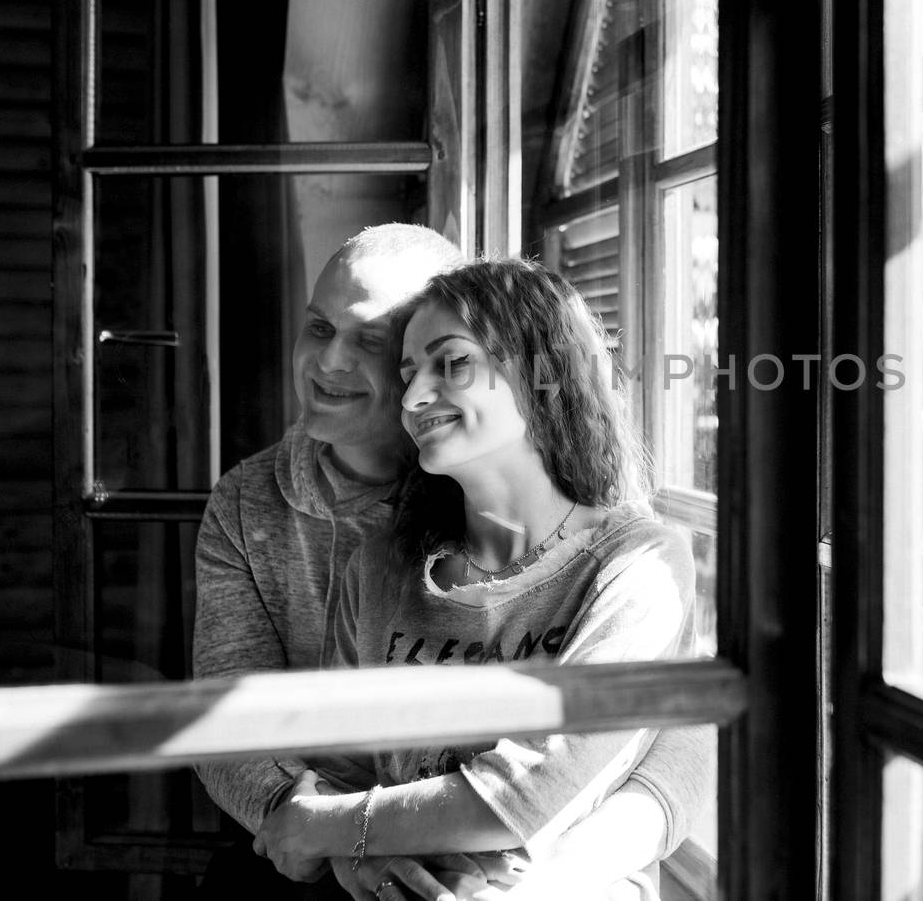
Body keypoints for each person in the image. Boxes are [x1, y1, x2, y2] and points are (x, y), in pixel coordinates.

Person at [193, 229, 707, 899]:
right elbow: (262, 733)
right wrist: (351, 850)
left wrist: (526, 886)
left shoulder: (627, 552)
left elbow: (669, 748)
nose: (328, 362)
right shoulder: (345, 552)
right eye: (318, 327)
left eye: (374, 341)